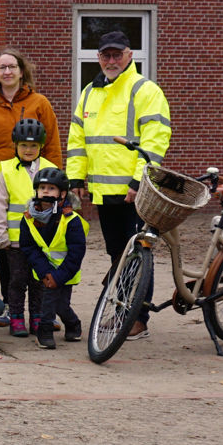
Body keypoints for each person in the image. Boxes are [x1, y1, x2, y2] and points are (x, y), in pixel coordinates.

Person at [66, 30, 171, 340]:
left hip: (134, 191)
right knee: (117, 254)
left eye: (116, 54)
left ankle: (137, 319)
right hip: (104, 192)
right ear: (99, 58)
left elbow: (155, 140)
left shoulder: (145, 90)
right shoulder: (89, 92)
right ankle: (124, 309)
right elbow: (77, 140)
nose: (111, 60)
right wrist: (76, 177)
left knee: (140, 252)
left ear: (129, 56)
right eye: (105, 55)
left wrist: (140, 180)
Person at [0, 48, 63, 322]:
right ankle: (10, 306)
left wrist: (58, 181)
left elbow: (52, 145)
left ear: (22, 70)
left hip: (37, 185)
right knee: (6, 249)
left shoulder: (40, 103)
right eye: (2, 68)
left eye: (12, 67)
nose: (7, 72)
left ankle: (39, 308)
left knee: (38, 245)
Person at [0, 118, 57, 337]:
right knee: (17, 280)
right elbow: (0, 204)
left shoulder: (51, 169)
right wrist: (0, 235)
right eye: (23, 145)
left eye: (33, 146)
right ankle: (17, 317)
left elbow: (58, 204)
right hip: (16, 241)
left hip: (42, 240)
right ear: (15, 145)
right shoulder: (7, 169)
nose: (28, 150)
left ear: (40, 146)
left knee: (38, 280)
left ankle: (37, 317)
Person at [18, 168, 86, 349]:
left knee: (60, 305)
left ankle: (69, 324)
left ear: (62, 193)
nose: (46, 191)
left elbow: (77, 252)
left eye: (51, 188)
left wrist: (58, 276)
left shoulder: (71, 220)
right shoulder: (28, 218)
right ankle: (46, 331)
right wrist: (45, 272)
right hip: (45, 270)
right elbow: (28, 247)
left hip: (66, 271)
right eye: (42, 188)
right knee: (50, 301)